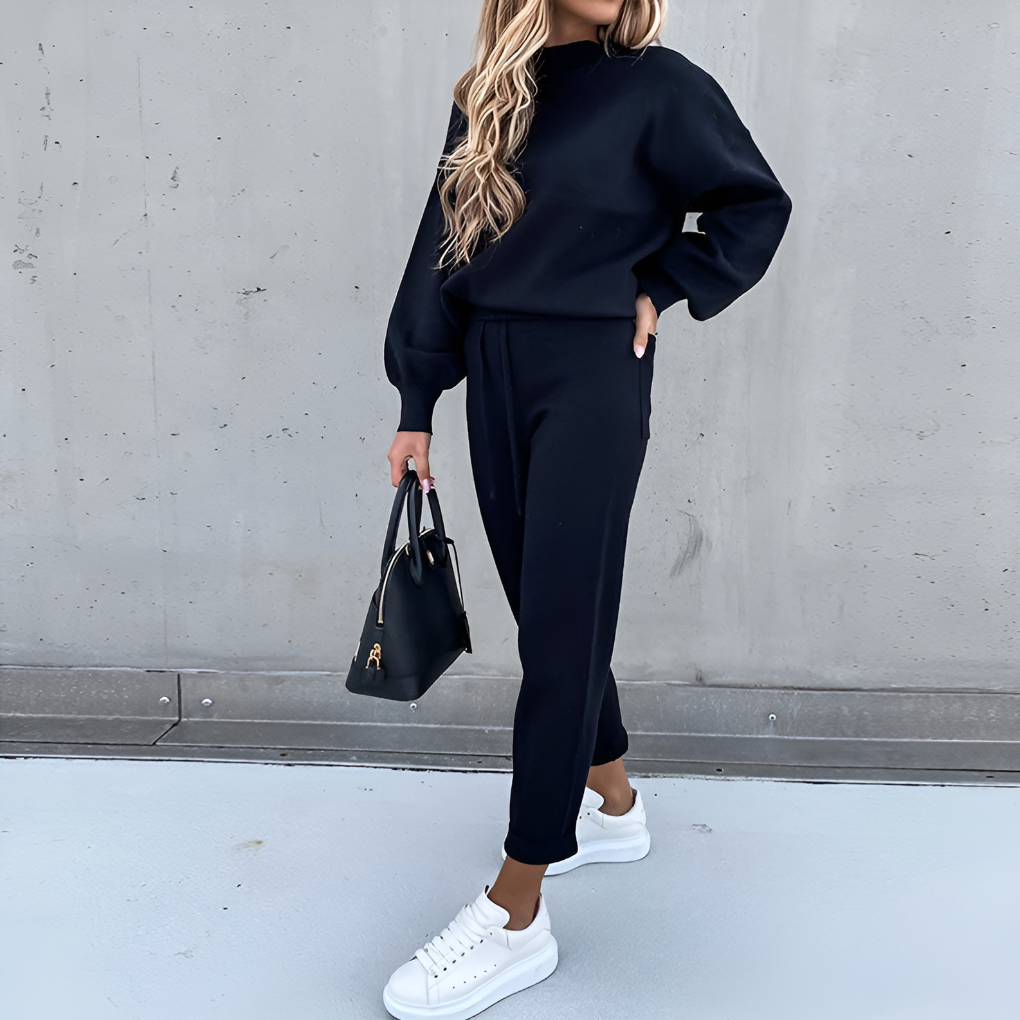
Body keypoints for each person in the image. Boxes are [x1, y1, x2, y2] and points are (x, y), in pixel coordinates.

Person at [379, 1, 791, 1016]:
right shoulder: (490, 95)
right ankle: (611, 799)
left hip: (594, 369)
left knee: (563, 628)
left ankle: (517, 907)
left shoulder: (660, 87)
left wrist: (665, 283)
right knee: (546, 609)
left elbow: (753, 204)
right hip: (494, 366)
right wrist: (417, 399)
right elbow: (442, 242)